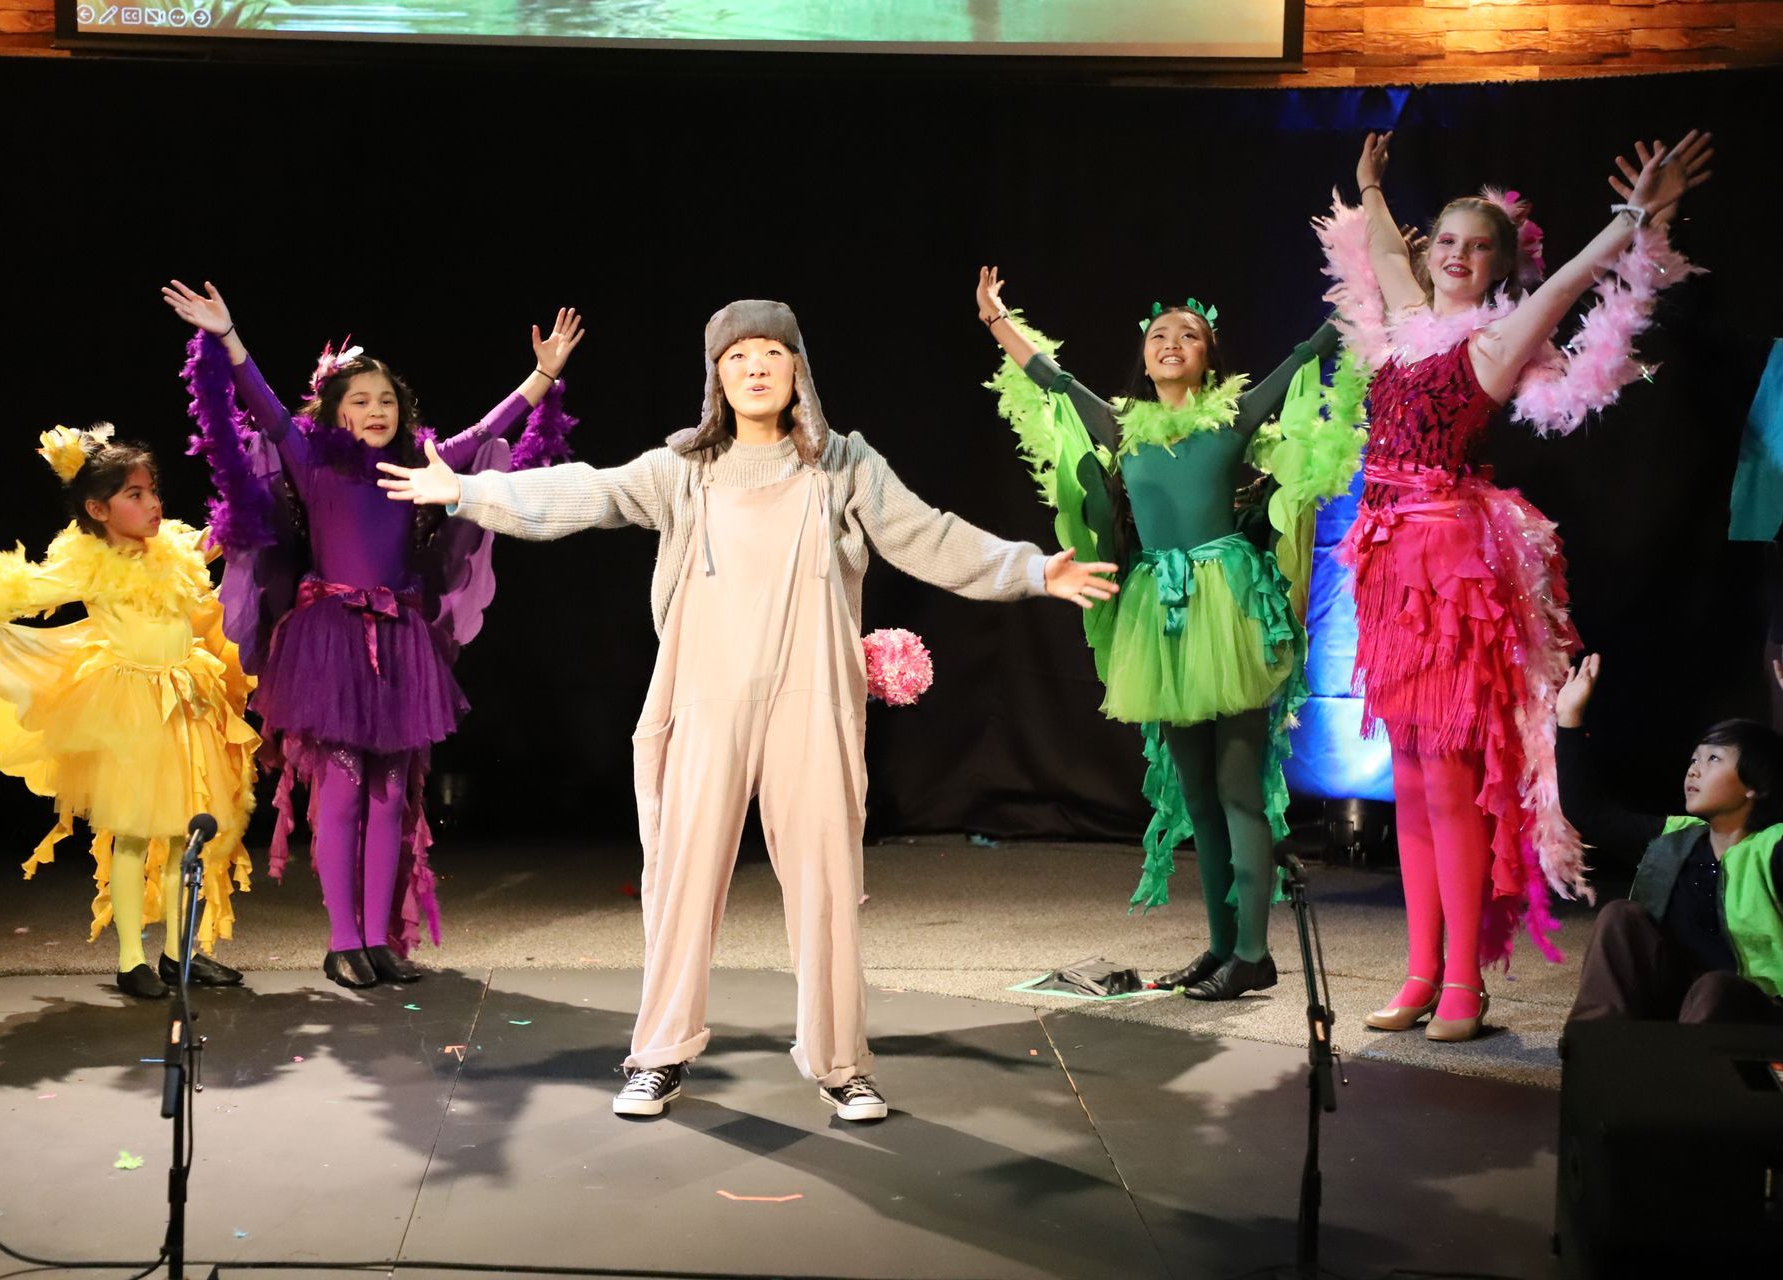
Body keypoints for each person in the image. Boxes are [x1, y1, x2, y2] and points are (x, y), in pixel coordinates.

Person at [377, 299, 1119, 1119]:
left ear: (799, 367)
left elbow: (926, 534)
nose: (756, 366)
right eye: (737, 356)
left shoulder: (843, 463)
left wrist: (1029, 570)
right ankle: (660, 1055)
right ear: (716, 377)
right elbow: (586, 492)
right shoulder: (682, 468)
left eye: (771, 351)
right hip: (705, 693)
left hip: (812, 694)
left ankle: (842, 1063)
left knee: (827, 881)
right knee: (682, 878)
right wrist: (466, 491)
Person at [1320, 130, 1713, 1041]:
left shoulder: (1495, 340)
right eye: (1447, 241)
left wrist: (1633, 216)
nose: (1457, 255)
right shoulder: (1408, 326)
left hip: (1448, 571)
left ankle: (1464, 981)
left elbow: (1569, 282)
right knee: (1409, 777)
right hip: (1387, 569)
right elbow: (1388, 258)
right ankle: (1419, 972)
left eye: (1479, 245)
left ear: (1501, 265)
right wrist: (1371, 190)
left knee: (1451, 781)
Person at [164, 280, 583, 988]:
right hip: (330, 641)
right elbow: (264, 408)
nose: (376, 410)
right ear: (334, 410)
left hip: (397, 640)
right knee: (344, 790)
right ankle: (342, 942)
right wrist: (228, 336)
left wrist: (542, 376)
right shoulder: (311, 459)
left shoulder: (418, 464)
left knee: (390, 794)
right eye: (360, 400)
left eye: (386, 400)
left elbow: (485, 432)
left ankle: (378, 942)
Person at [976, 269, 1365, 999]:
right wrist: (998, 321)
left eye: (1190, 334)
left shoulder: (1235, 418)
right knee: (1198, 795)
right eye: (1159, 334)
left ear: (1209, 358)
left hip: (1230, 610)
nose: (1172, 342)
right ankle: (1222, 947)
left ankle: (1253, 950)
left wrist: (1365, 287)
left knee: (1238, 788)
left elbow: (1308, 352)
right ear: (1144, 355)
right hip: (1163, 615)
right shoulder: (1121, 427)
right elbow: (1052, 380)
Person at [0, 426, 256, 999]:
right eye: (135, 494)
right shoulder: (84, 564)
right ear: (98, 509)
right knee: (131, 834)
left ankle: (179, 953)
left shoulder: (174, 548)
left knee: (183, 836)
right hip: (130, 708)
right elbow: (4, 599)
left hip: (186, 701)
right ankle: (131, 960)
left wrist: (267, 470)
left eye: (153, 491)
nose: (153, 503)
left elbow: (223, 531)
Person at [1556, 654, 1783, 1025]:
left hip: (1750, 1014)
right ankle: (1597, 1044)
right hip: (1676, 1007)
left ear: (1754, 785)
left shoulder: (1772, 848)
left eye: (1713, 759)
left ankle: (1687, 1060)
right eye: (1694, 760)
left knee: (1714, 989)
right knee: (1620, 916)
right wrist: (1569, 719)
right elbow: (1590, 812)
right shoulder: (1675, 838)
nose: (1694, 770)